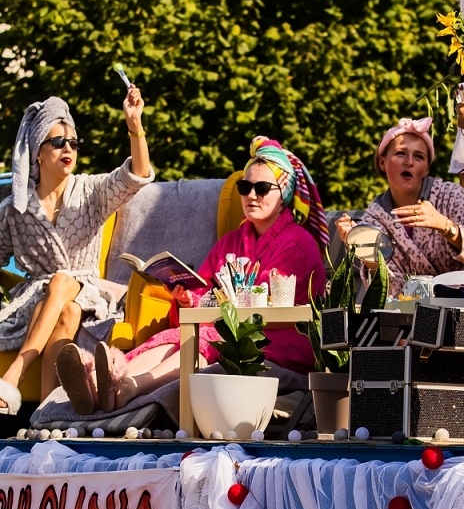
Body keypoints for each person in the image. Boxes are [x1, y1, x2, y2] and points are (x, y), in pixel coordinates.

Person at [55, 138, 327, 415]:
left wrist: (213, 309)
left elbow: (271, 305)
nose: (251, 195)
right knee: (181, 335)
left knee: (203, 339)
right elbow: (205, 288)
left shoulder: (299, 245)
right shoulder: (230, 242)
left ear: (285, 192)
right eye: (245, 187)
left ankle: (129, 387)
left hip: (279, 340)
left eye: (262, 188)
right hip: (228, 329)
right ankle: (106, 381)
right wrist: (187, 299)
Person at [0, 90, 152, 415]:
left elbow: (135, 176)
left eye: (74, 143)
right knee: (67, 310)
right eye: (58, 142)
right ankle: (45, 415)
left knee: (63, 283)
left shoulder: (91, 191)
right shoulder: (15, 209)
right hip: (39, 300)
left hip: (89, 292)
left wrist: (135, 125)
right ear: (37, 153)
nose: (68, 149)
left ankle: (13, 376)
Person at [334, 117, 464, 296]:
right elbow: (389, 293)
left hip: (462, 308)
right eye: (400, 153)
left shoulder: (451, 197)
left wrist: (445, 226)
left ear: (427, 168)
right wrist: (364, 247)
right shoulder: (374, 218)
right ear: (383, 162)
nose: (409, 162)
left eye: (418, 156)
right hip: (410, 315)